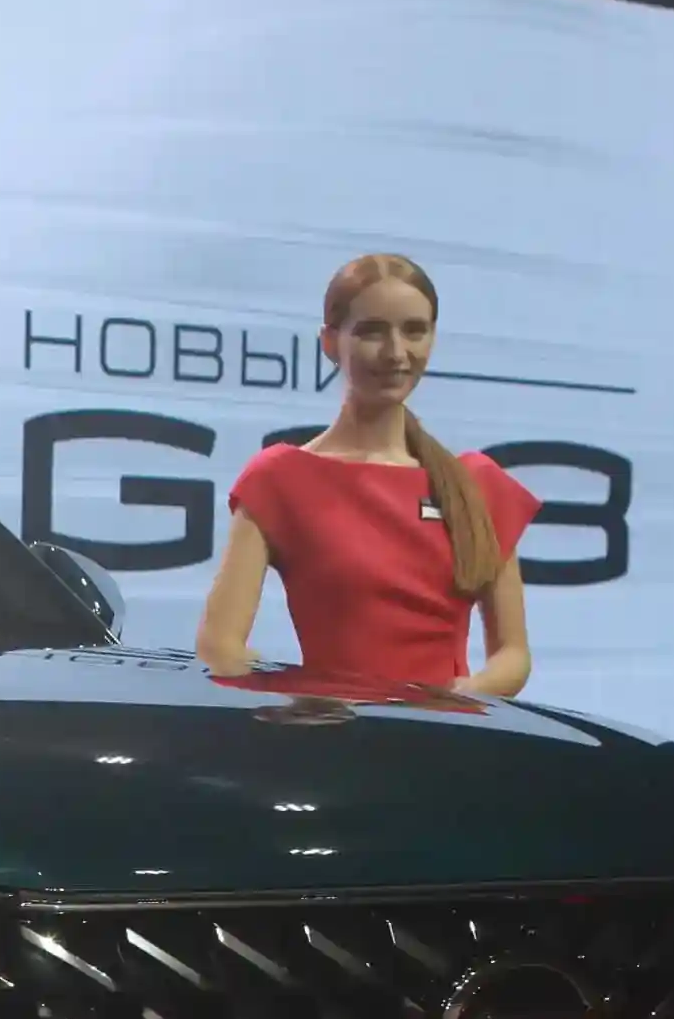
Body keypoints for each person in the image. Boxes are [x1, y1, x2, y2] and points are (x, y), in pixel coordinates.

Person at [194, 253, 540, 698]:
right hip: (335, 735)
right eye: (372, 331)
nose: (396, 353)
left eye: (414, 330)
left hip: (449, 732)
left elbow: (513, 654)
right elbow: (219, 646)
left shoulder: (474, 484)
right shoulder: (281, 479)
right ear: (330, 342)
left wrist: (462, 696)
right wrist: (299, 707)